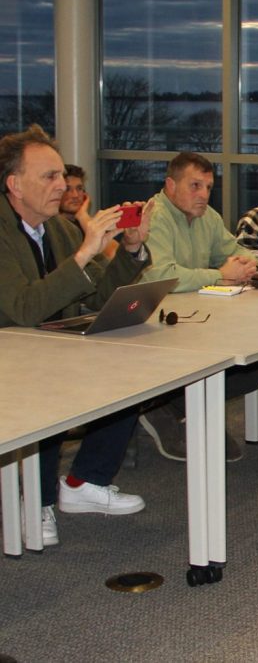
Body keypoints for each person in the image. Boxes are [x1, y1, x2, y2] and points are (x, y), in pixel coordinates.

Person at [0, 125, 151, 546]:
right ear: (14, 184)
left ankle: (84, 481)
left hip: (45, 345)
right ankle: (37, 497)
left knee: (133, 370)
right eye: (49, 176)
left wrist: (130, 250)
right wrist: (86, 251)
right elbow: (25, 309)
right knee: (47, 386)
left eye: (61, 176)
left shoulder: (59, 229)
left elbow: (101, 293)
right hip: (11, 355)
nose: (63, 185)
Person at [139, 151, 258, 461]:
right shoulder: (155, 218)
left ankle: (177, 406)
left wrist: (248, 262)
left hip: (197, 315)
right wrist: (220, 274)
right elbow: (161, 274)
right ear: (170, 185)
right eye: (195, 185)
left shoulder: (207, 216)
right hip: (155, 323)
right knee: (230, 367)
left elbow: (233, 249)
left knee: (254, 369)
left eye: (209, 187)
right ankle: (161, 407)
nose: (203, 195)